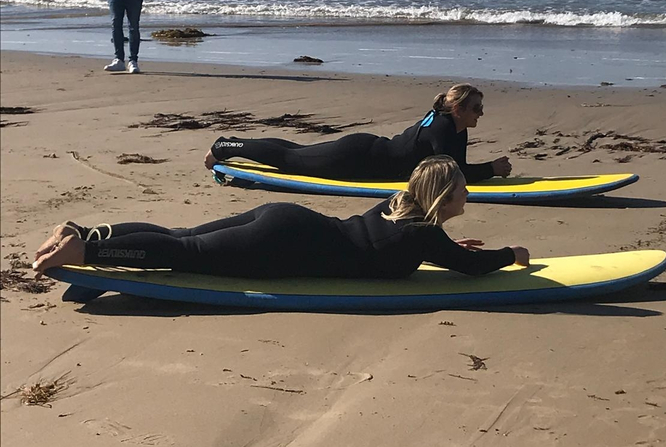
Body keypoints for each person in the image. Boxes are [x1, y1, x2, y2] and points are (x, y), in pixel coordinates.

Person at [33, 156, 529, 280]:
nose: (469, 194)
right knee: (183, 253)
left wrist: (449, 249)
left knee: (182, 236)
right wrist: (515, 254)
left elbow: (428, 248)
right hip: (285, 247)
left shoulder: (402, 207)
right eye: (463, 188)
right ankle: (85, 249)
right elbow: (476, 270)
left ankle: (84, 232)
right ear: (443, 195)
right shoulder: (426, 236)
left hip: (289, 219)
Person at [204, 83, 512, 183]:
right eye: (476, 108)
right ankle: (225, 145)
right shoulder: (445, 130)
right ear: (458, 109)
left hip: (365, 152)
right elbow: (454, 175)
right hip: (354, 160)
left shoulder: (453, 125)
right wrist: (493, 170)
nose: (481, 114)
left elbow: (454, 168)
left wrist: (488, 170)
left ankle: (231, 143)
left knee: (295, 151)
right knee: (289, 160)